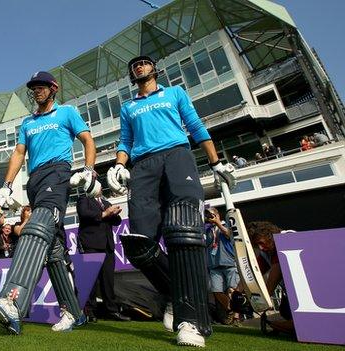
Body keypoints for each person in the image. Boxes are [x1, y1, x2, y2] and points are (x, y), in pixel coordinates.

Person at [106, 55, 235, 347]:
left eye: (144, 63)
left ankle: (189, 320)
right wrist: (118, 164)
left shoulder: (174, 92)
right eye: (134, 65)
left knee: (183, 230)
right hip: (143, 166)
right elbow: (125, 140)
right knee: (139, 243)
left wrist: (215, 163)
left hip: (177, 156)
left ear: (154, 69)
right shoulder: (128, 107)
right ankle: (173, 295)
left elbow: (195, 125)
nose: (139, 66)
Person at [0, 71, 100, 334]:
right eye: (34, 88)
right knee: (53, 249)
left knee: (37, 227)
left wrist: (89, 170)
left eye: (42, 86)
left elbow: (87, 140)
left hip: (58, 172)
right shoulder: (28, 123)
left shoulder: (67, 112)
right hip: (34, 181)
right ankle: (74, 312)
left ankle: (13, 302)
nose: (37, 91)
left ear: (53, 89)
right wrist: (6, 186)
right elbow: (19, 153)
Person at [76, 191, 129, 322]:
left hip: (107, 245)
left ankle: (112, 310)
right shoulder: (84, 199)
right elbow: (84, 214)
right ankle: (90, 312)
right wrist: (104, 214)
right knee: (90, 281)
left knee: (108, 280)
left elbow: (117, 221)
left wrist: (114, 213)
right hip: (90, 243)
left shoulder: (106, 203)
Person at [247, 221, 295, 335]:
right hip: (291, 292)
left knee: (287, 309)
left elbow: (276, 273)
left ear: (270, 236)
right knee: (284, 309)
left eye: (261, 243)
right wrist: (237, 291)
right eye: (257, 245)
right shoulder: (266, 252)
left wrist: (264, 300)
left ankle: (296, 325)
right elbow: (254, 272)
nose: (260, 248)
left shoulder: (288, 238)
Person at [204, 206, 240, 326]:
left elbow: (230, 234)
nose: (210, 218)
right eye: (208, 216)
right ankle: (230, 309)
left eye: (212, 215)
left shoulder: (226, 225)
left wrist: (218, 223)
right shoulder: (208, 230)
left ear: (217, 215)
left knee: (232, 290)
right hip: (214, 265)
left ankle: (236, 317)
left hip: (229, 263)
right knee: (216, 290)